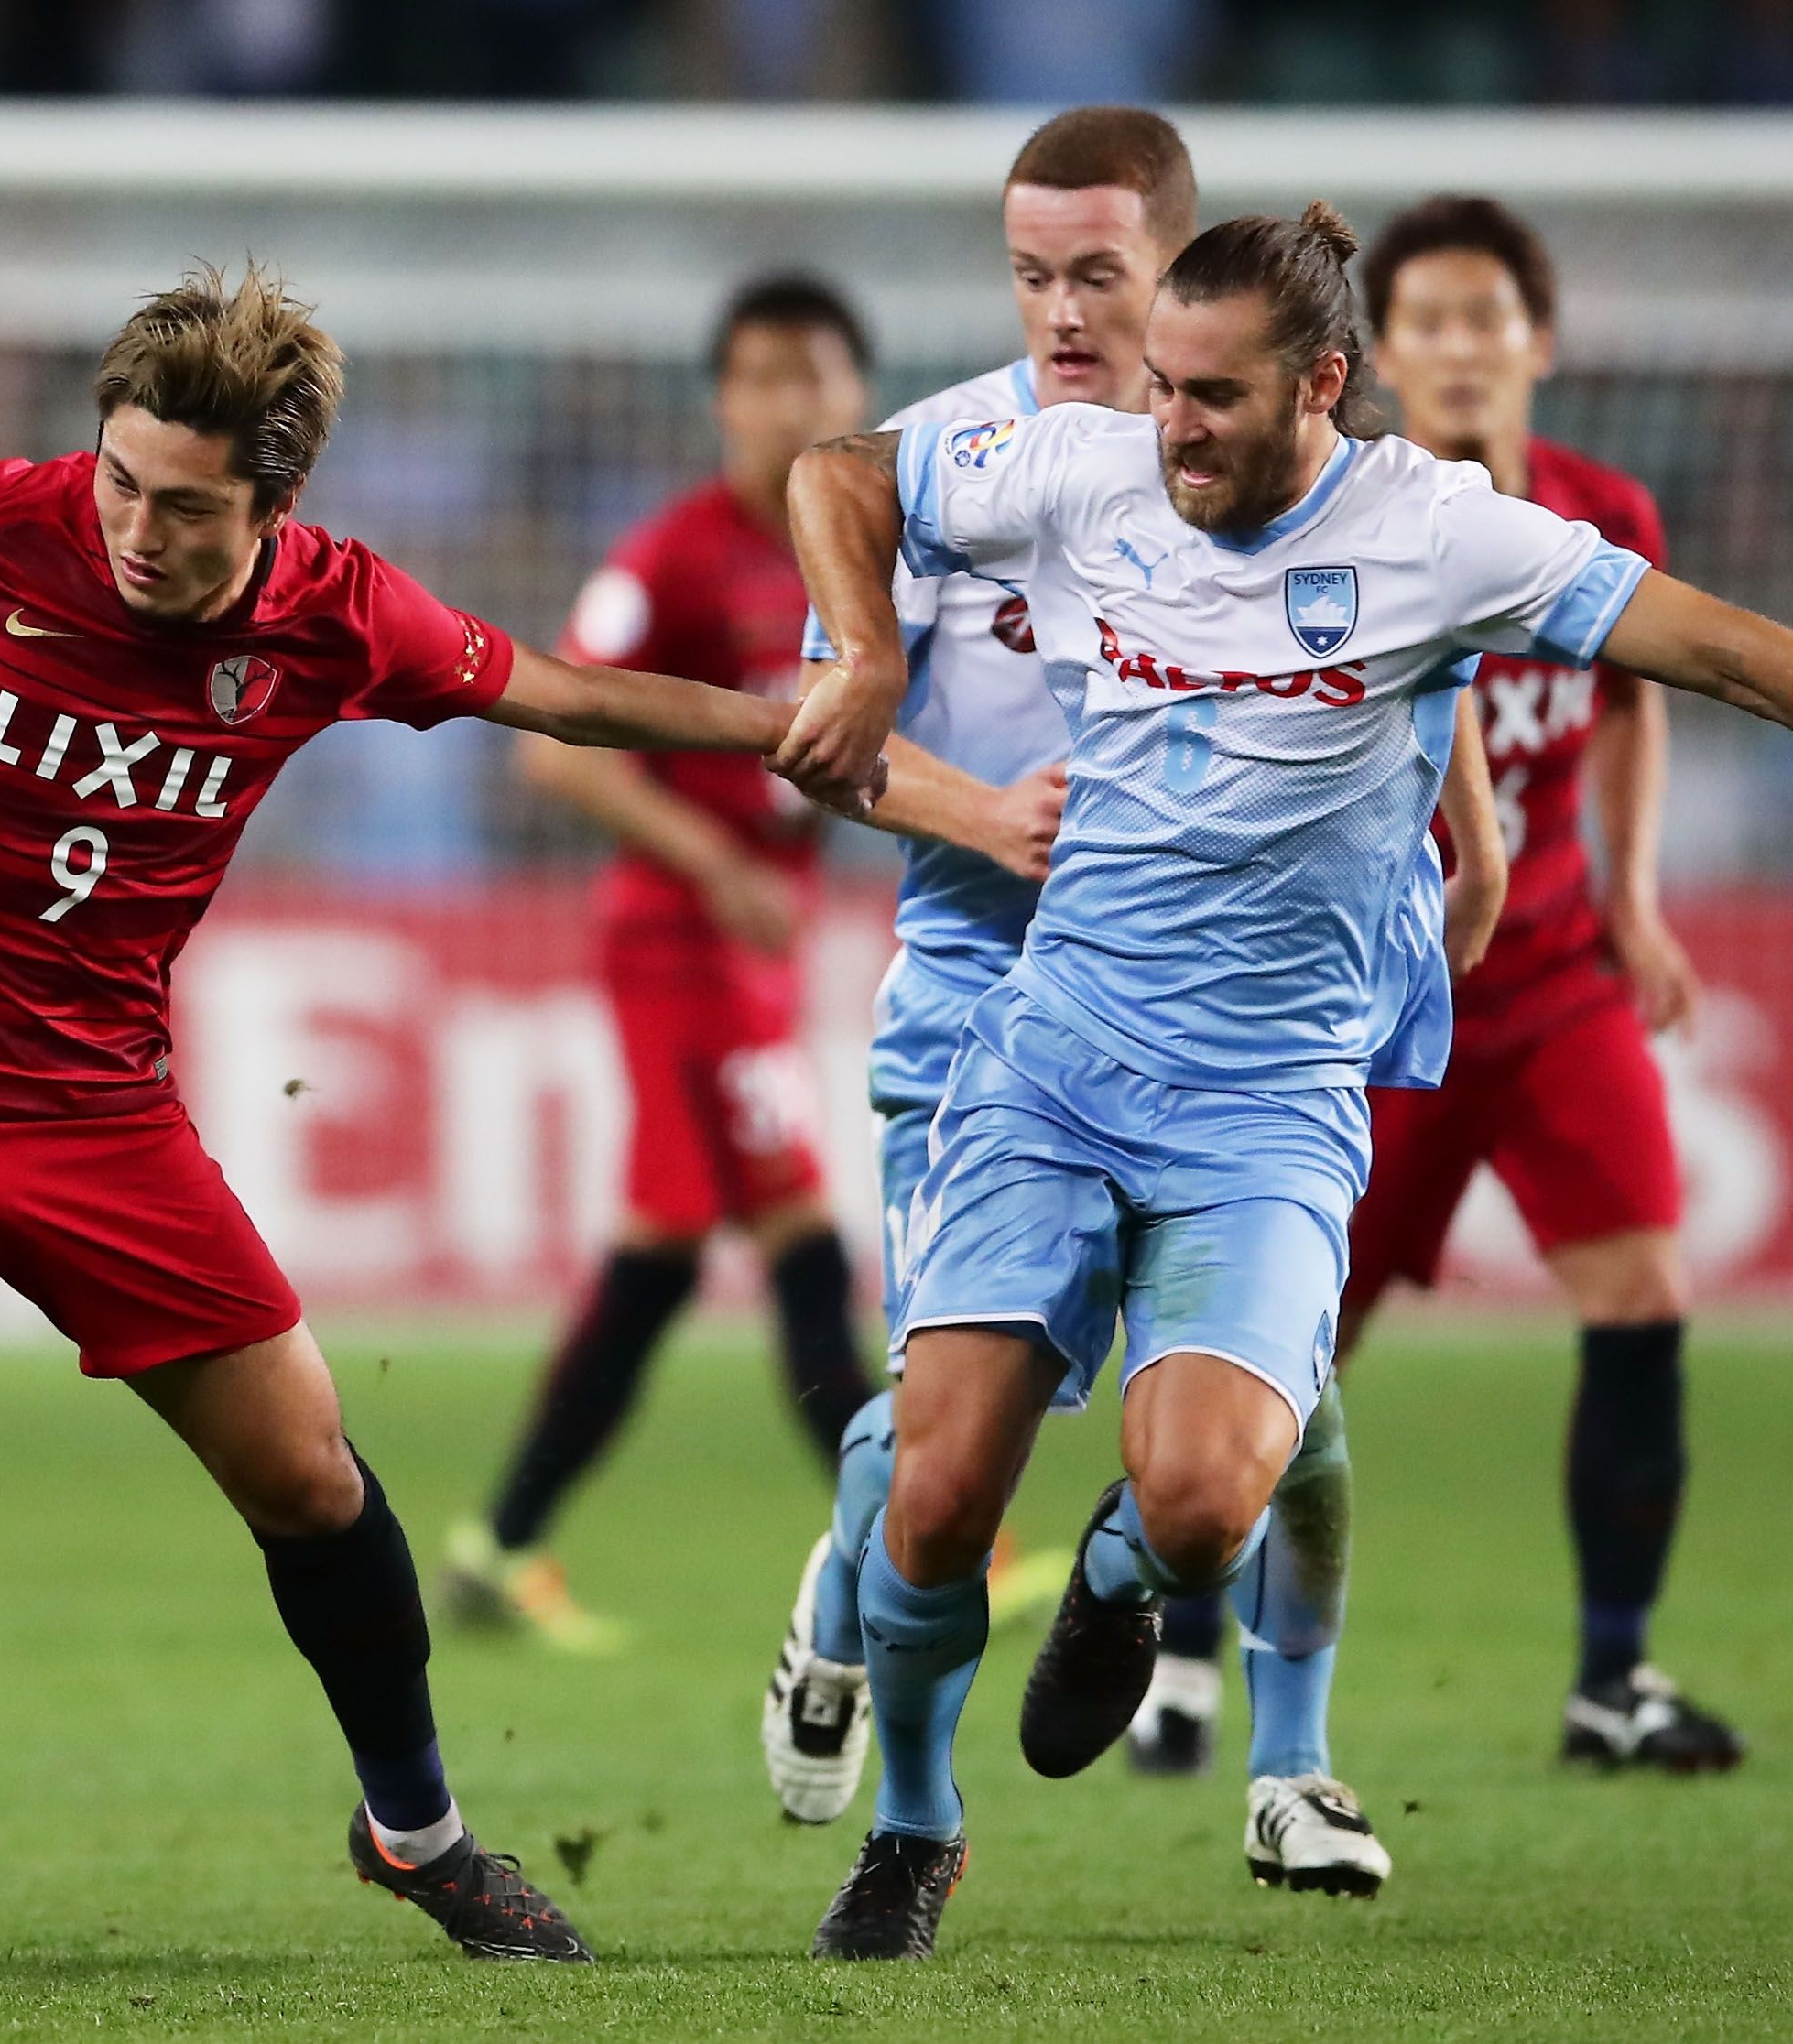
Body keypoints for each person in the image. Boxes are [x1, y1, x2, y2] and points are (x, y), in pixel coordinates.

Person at [0, 265, 997, 1965]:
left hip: (98, 1112)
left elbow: (563, 694)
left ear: (274, 507)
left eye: (187, 507)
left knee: (310, 1477)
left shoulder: (339, 613)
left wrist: (789, 724)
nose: (137, 530)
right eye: (121, 480)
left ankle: (417, 1834)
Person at [770, 204, 1793, 1959]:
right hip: (1053, 1060)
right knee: (936, 1493)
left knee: (1193, 1511)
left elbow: (1718, 648)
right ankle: (910, 1825)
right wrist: (867, 647)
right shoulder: (1081, 466)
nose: (1168, 425)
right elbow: (835, 474)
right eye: (1161, 390)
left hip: (1264, 1104)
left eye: (1212, 397)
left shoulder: (1438, 532)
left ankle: (1123, 1585)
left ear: (1323, 386)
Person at [752, 106, 1396, 1903]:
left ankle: (1294, 1768)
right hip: (982, 1000)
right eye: (1028, 273)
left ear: (1173, 266)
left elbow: (1412, 679)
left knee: (1288, 1403)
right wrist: (985, 809)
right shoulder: (950, 457)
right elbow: (830, 742)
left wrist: (1459, 854)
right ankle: (871, 1660)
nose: (1056, 311)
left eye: (1095, 272)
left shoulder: (1275, 452)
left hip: (1241, 1012)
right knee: (942, 1438)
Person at [1133, 193, 1740, 1780]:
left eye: (1489, 318)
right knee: (1280, 1340)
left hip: (1548, 985)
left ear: (1535, 343)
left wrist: (1633, 899)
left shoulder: (1602, 514)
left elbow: (1630, 705)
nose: (1463, 347)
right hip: (1375, 1001)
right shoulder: (1352, 516)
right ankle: (1180, 1659)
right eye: (1431, 321)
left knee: (1641, 1297)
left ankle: (1612, 1677)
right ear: (1367, 356)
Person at [444, 275, 910, 1652]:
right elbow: (549, 747)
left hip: (753, 949)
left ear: (856, 397)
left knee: (656, 1262)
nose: (792, 403)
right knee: (804, 1240)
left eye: (817, 376)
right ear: (724, 399)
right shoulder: (673, 557)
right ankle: (911, 1548)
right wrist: (715, 865)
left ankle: (500, 1545)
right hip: (680, 945)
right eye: (763, 378)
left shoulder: (857, 552)